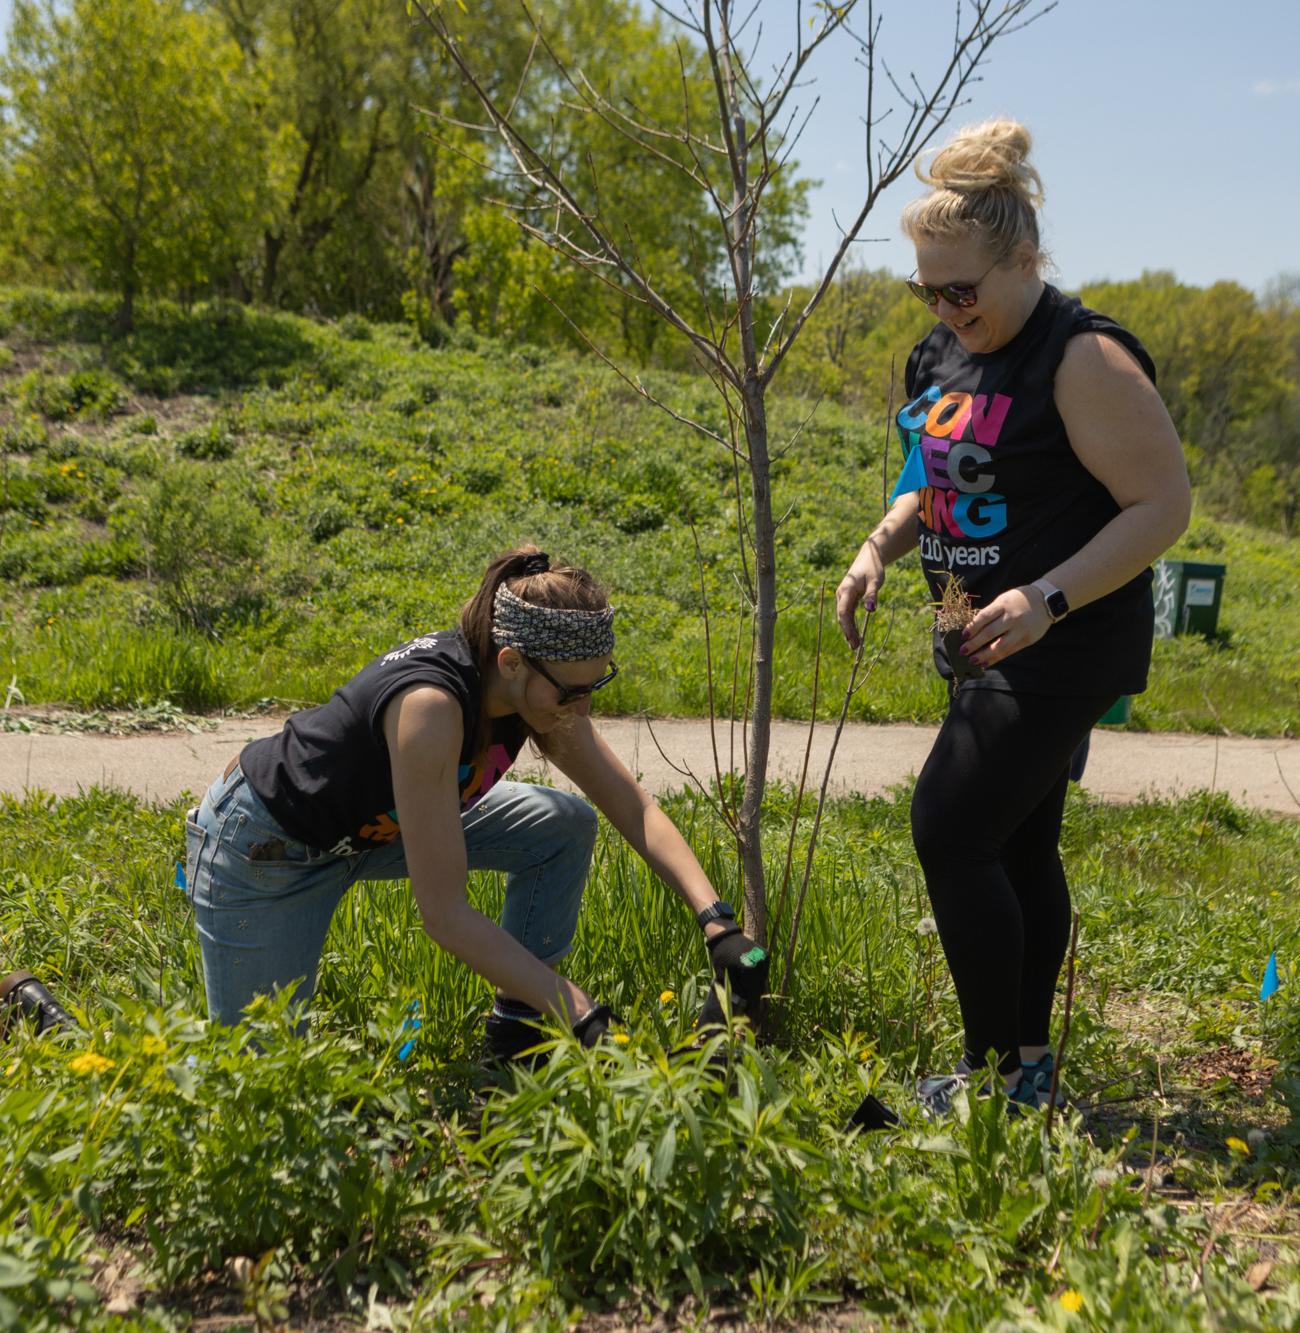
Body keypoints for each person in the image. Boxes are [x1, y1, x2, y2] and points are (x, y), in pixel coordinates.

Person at [835, 120, 1190, 1115]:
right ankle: (1026, 1070)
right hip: (974, 634)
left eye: (964, 289)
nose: (948, 311)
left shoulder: (1081, 357)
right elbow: (929, 474)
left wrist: (1046, 597)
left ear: (1023, 260)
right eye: (927, 291)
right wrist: (876, 548)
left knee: (947, 827)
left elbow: (1163, 505)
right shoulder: (938, 357)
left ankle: (989, 1080)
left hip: (1063, 639)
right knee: (1017, 845)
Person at [185, 546, 767, 1063]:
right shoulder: (432, 707)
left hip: (375, 832)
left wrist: (717, 923)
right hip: (269, 847)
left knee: (562, 825)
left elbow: (631, 806)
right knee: (255, 1075)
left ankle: (518, 1040)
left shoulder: (536, 694)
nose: (582, 710)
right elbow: (444, 915)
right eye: (571, 692)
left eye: (596, 687)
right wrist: (578, 1010)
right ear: (511, 663)